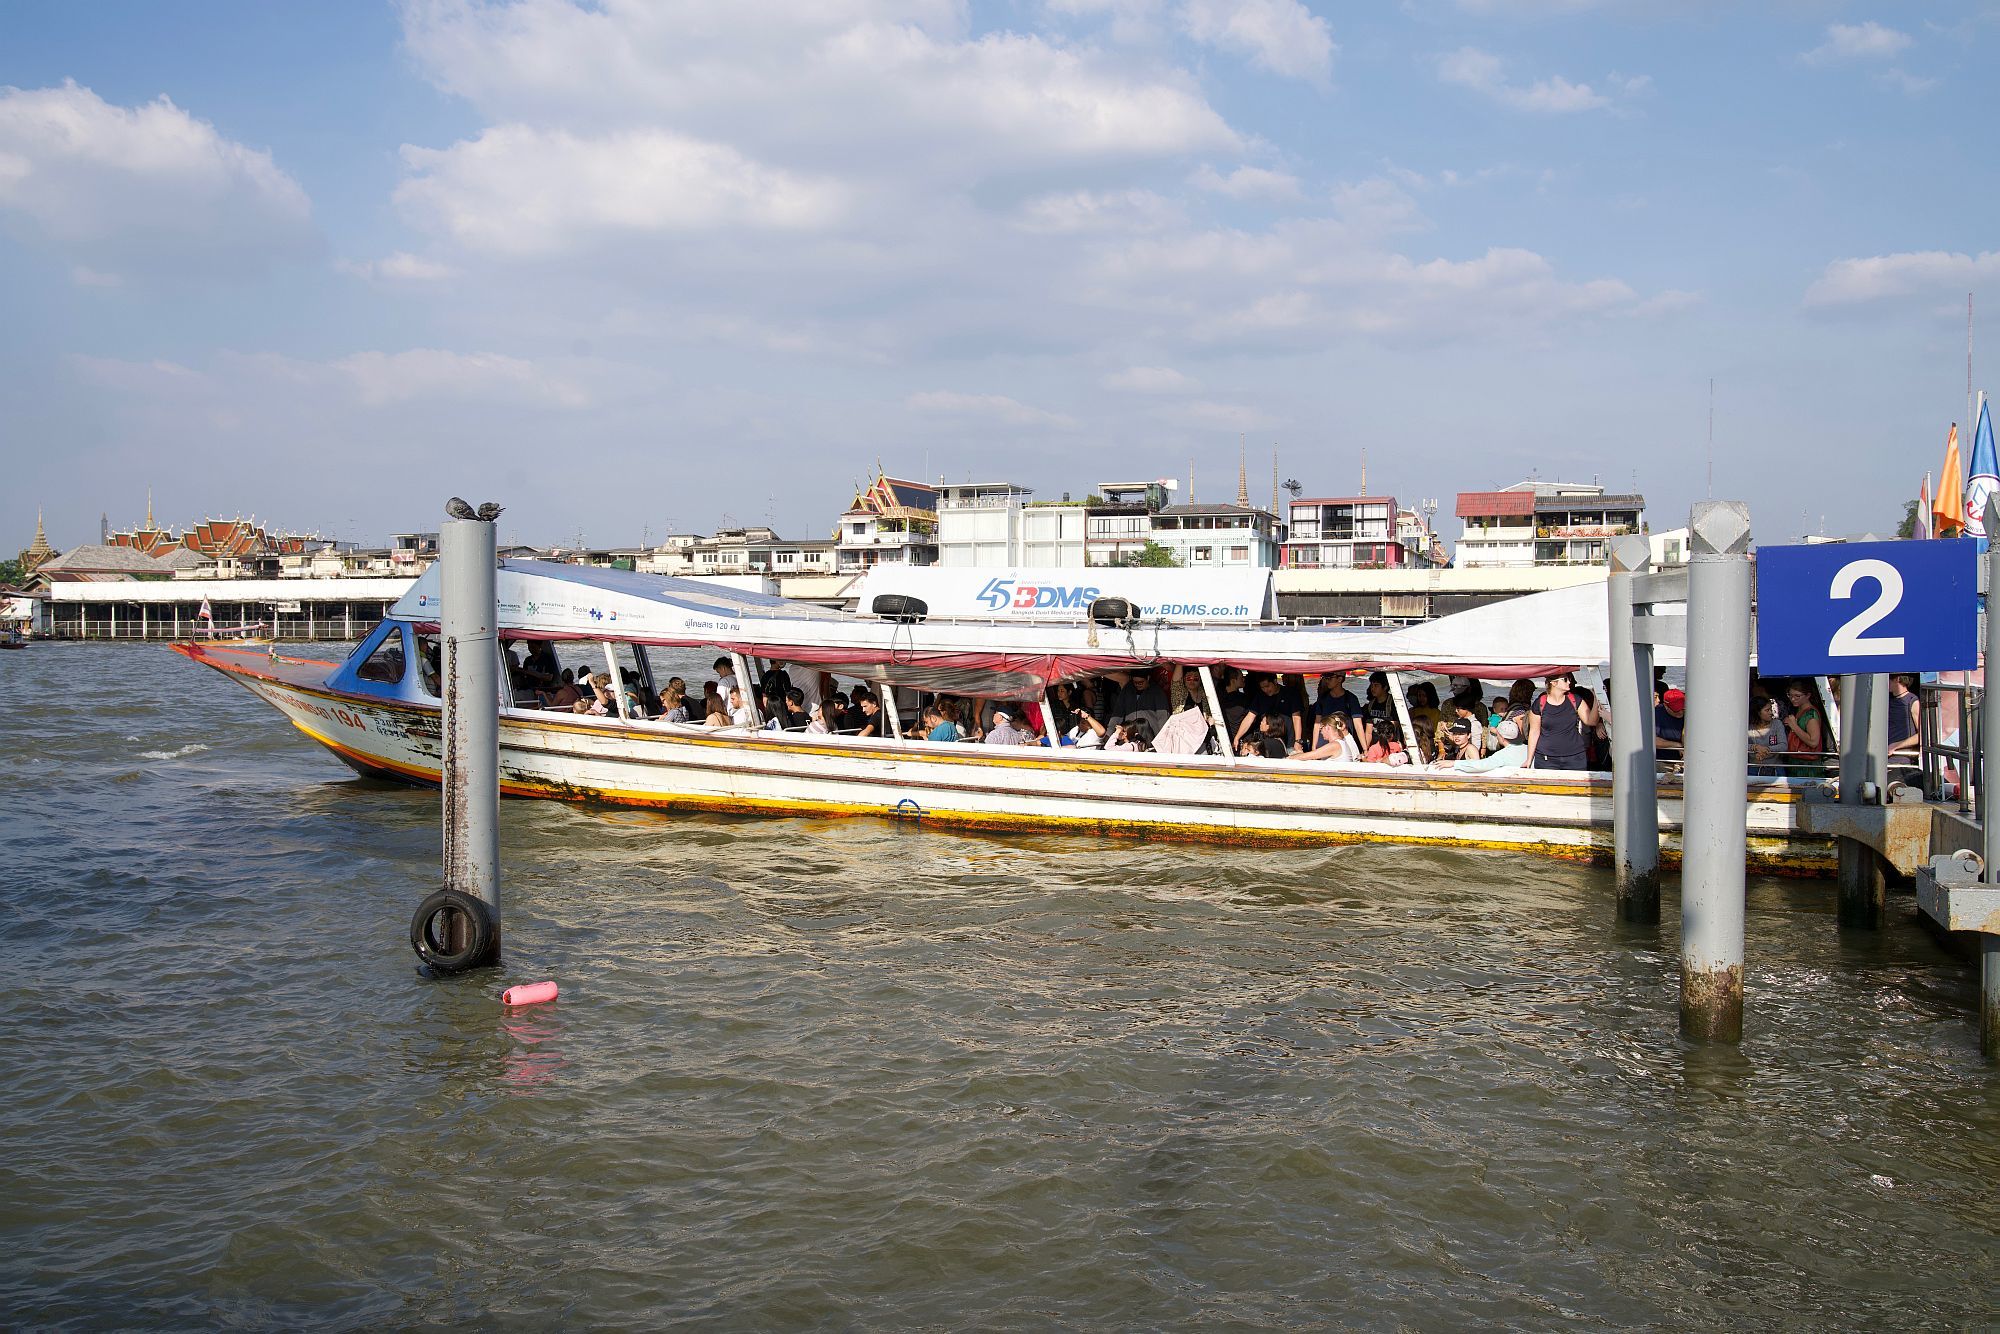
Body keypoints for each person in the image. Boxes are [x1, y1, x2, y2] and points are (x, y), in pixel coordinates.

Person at [1526, 671, 1595, 771]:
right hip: (1546, 759)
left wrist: (1597, 700)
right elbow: (1534, 732)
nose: (1569, 682)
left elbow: (1591, 721)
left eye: (1569, 679)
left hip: (1575, 758)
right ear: (1553, 683)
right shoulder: (1539, 703)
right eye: (1565, 679)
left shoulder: (1575, 699)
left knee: (1576, 787)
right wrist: (1529, 759)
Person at [1454, 718, 1529, 772]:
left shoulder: (1501, 755)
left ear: (1501, 737)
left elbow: (1480, 766)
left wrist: (1453, 763)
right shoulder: (1528, 749)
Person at [1782, 680, 1825, 772]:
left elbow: (1813, 742)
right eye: (1790, 695)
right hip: (1797, 761)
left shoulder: (1810, 714)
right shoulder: (1799, 711)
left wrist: (1794, 726)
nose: (1793, 699)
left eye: (1797, 696)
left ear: (1808, 696)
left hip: (1807, 765)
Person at [1887, 674, 1922, 766]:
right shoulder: (1888, 700)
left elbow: (1922, 735)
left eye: (1888, 680)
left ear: (1897, 679)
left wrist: (1895, 746)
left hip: (1900, 758)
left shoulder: (1912, 701)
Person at [1748, 696, 1784, 776]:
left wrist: (1766, 750)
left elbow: (1783, 746)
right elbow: (1740, 746)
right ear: (1757, 712)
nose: (1771, 712)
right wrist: (1755, 747)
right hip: (1753, 768)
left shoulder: (1777, 724)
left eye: (1771, 709)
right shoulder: (1748, 726)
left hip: (1775, 768)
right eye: (1767, 710)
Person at [1655, 687, 1686, 762]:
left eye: (1682, 709)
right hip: (1664, 761)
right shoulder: (1656, 714)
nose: (1680, 712)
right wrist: (1677, 745)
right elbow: (1651, 740)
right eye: (1676, 710)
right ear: (1666, 706)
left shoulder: (1692, 710)